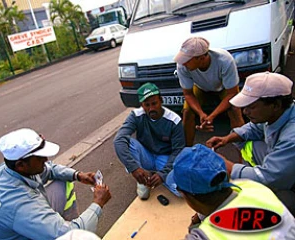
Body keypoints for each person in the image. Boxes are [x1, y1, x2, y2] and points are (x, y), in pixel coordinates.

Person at [0, 128, 111, 240]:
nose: (46, 159)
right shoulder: (20, 205)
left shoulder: (7, 169)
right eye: (40, 157)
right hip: (26, 223)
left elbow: (50, 169)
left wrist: (77, 175)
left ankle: (60, 225)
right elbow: (72, 235)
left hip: (23, 225)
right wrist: (98, 203)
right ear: (21, 165)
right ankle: (59, 229)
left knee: (63, 183)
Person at [206, 71, 295, 216]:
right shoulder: (278, 113)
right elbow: (255, 128)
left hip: (289, 183)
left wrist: (230, 168)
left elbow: (270, 177)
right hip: (283, 166)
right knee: (247, 142)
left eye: (251, 107)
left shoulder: (291, 137)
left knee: (280, 205)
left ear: (276, 105)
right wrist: (227, 138)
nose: (245, 111)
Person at [166, 144, 295, 239]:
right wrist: (200, 216)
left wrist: (195, 226)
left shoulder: (207, 236)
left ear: (189, 196)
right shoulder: (252, 186)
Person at [113, 82, 185, 200]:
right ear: (142, 105)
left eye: (154, 103)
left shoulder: (174, 121)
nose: (151, 108)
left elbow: (178, 151)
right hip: (146, 154)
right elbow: (118, 140)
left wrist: (163, 174)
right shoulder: (136, 115)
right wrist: (134, 169)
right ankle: (142, 179)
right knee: (125, 141)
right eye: (147, 105)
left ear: (161, 101)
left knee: (181, 191)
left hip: (165, 158)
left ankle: (156, 174)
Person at [174, 36, 245, 146]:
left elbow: (232, 93)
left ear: (201, 58)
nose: (183, 63)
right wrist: (201, 114)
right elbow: (188, 94)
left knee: (235, 111)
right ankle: (186, 151)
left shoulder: (224, 60)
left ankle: (244, 153)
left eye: (187, 60)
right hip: (201, 87)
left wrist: (211, 116)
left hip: (223, 87)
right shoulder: (182, 65)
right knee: (187, 112)